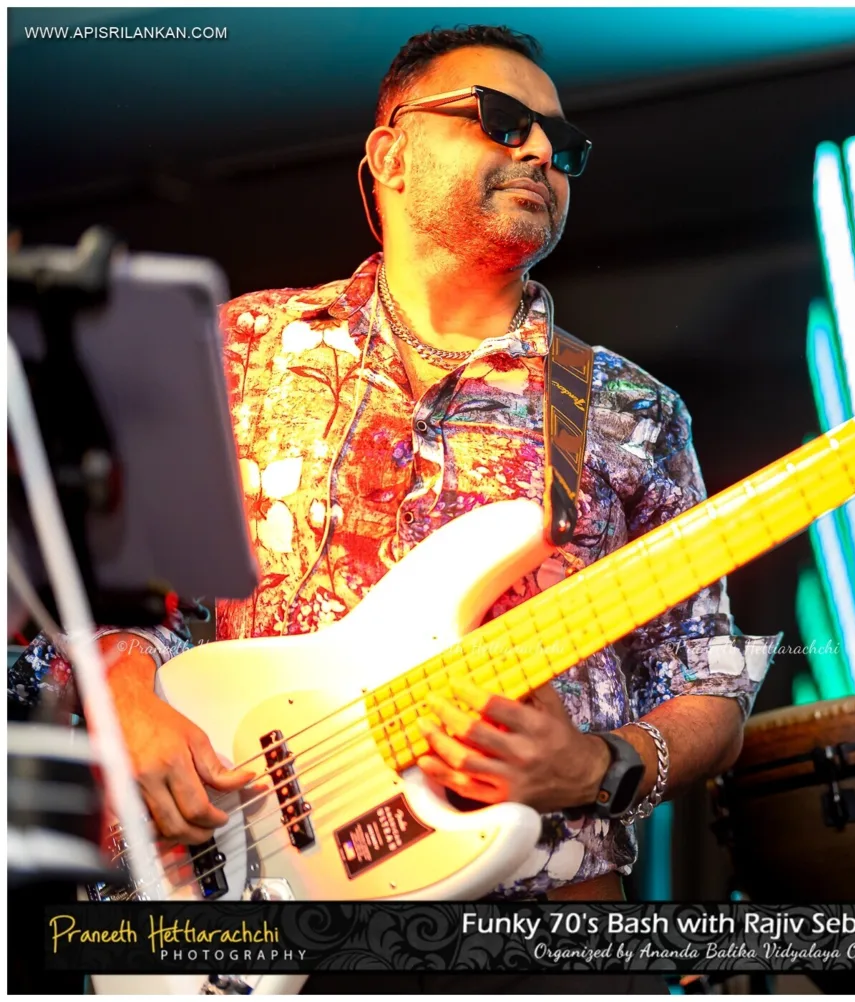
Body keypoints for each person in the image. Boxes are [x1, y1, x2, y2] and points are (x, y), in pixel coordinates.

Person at [11, 23, 779, 986]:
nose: (541, 151)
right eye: (502, 120)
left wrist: (598, 764)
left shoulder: (632, 411)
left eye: (562, 142)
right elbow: (88, 591)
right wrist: (120, 685)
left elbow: (710, 684)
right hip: (253, 899)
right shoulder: (238, 350)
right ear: (391, 155)